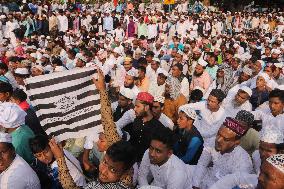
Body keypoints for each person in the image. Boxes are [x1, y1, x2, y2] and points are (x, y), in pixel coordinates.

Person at [191, 117, 253, 189]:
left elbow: (236, 185)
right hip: (206, 180)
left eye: (226, 139)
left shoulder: (243, 161)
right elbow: (202, 163)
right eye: (218, 134)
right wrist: (196, 184)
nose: (219, 140)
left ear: (236, 143)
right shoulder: (212, 142)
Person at [50, 139, 137, 189]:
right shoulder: (123, 181)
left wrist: (60, 159)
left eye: (113, 170)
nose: (103, 171)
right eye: (104, 162)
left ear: (125, 174)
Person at [209, 154, 284, 189]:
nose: (260, 178)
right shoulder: (252, 182)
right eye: (261, 172)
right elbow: (235, 178)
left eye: (268, 176)